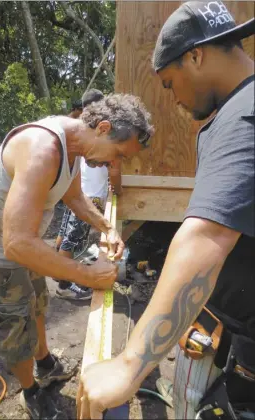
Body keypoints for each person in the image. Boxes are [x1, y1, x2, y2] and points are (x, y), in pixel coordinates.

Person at [78, 2, 255, 419]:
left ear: (196, 55)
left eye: (170, 82)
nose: (173, 99)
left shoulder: (242, 117)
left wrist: (129, 364)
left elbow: (206, 237)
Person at [0, 93, 153, 419]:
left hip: (24, 238)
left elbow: (74, 197)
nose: (113, 165)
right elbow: (15, 243)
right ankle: (30, 394)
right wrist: (86, 274)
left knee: (38, 304)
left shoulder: (74, 148)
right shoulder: (42, 150)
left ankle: (45, 363)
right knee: (14, 325)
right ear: (102, 127)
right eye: (117, 155)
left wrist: (107, 227)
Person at [55, 89, 122, 301]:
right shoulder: (105, 136)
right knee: (73, 241)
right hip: (88, 198)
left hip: (76, 193)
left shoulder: (83, 132)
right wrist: (118, 189)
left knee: (66, 234)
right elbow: (114, 170)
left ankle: (58, 266)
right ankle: (64, 284)